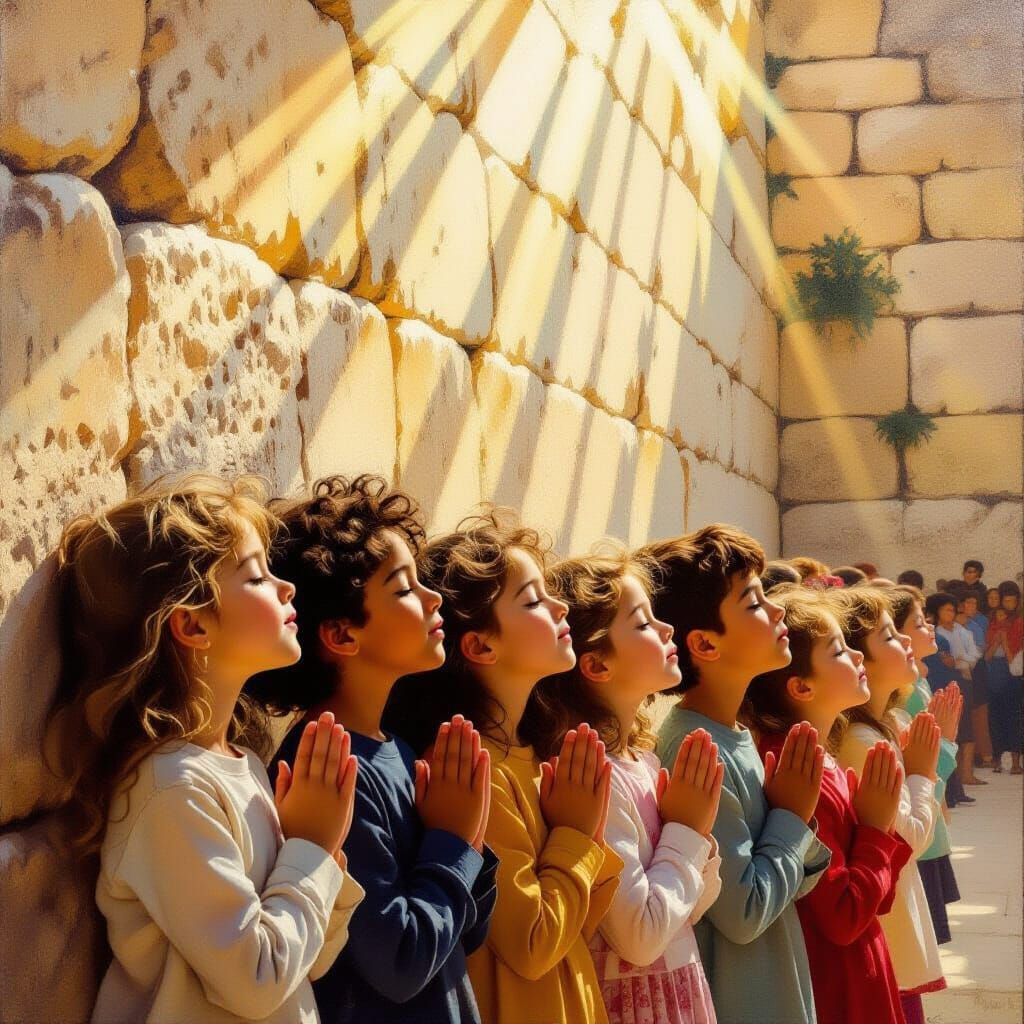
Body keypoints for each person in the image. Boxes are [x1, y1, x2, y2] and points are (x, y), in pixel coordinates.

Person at [48, 475, 364, 1024]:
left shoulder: (241, 768)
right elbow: (257, 979)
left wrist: (322, 856)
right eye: (257, 575)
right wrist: (311, 849)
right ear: (192, 623)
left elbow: (308, 965)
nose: (286, 588)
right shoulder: (171, 787)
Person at [249, 476, 496, 1024]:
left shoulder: (398, 750)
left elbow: (467, 932)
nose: (434, 599)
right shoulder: (329, 768)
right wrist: (454, 844)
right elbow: (399, 961)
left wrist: (469, 843)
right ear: (341, 636)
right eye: (405, 588)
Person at [385, 510, 622, 1024]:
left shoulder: (537, 759)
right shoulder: (472, 769)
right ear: (480, 645)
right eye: (535, 600)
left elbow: (579, 924)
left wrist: (582, 838)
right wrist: (578, 834)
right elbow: (533, 945)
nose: (560, 607)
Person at [638, 527, 831, 1024]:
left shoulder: (733, 732)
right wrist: (790, 817)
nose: (778, 610)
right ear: (704, 643)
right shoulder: (693, 746)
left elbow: (788, 885)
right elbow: (743, 913)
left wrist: (793, 826)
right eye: (753, 602)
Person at [541, 549, 723, 1024]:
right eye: (643, 623)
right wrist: (686, 830)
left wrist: (694, 838)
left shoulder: (640, 758)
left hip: (678, 989)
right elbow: (640, 937)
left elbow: (692, 908)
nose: (666, 630)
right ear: (597, 665)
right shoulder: (593, 772)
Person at [743, 586, 910, 1024]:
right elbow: (842, 916)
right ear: (800, 686)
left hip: (861, 969)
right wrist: (876, 830)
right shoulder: (795, 767)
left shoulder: (822, 758)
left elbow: (878, 897)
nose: (857, 657)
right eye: (838, 650)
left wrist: (880, 827)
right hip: (840, 986)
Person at [831, 587, 945, 1024]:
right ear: (862, 659)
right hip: (884, 921)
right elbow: (907, 841)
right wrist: (921, 772)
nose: (906, 642)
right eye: (890, 636)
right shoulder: (861, 742)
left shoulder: (875, 729)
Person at [891, 586, 964, 945]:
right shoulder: (904, 693)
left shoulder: (915, 681)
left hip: (928, 812)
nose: (930, 627)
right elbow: (920, 761)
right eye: (919, 623)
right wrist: (946, 742)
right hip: (918, 820)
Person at [984, 582, 1024, 775]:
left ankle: (1016, 762)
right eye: (1005, 600)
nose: (1008, 604)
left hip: (1013, 671)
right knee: (995, 716)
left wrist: (1004, 640)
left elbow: (1014, 654)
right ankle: (998, 760)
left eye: (1012, 601)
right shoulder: (992, 621)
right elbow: (987, 655)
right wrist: (997, 638)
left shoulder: (1019, 622)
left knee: (1014, 716)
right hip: (994, 671)